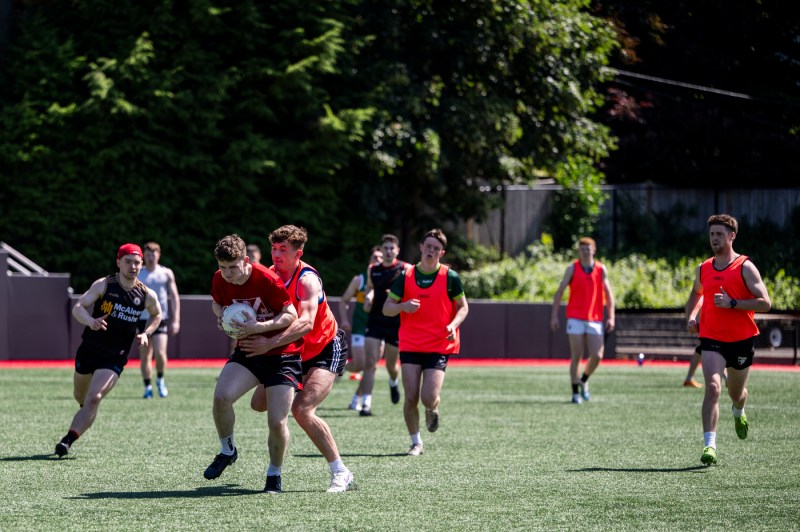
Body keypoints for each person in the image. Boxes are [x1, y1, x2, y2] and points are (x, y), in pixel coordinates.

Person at [241, 225, 355, 493]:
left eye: (283, 250)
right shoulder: (270, 275)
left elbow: (306, 323)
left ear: (298, 253)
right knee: (258, 404)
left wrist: (268, 342)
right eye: (274, 249)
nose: (277, 255)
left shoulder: (307, 280)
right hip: (294, 351)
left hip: (326, 347)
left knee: (302, 410)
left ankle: (341, 472)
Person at [204, 234, 301, 493]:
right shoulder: (219, 278)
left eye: (232, 267)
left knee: (277, 422)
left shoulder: (267, 279)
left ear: (245, 260)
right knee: (221, 397)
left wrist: (260, 326)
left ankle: (274, 473)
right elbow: (217, 303)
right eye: (222, 267)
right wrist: (223, 316)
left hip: (282, 356)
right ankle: (228, 451)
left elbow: (291, 314)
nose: (227, 273)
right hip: (248, 351)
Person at [54, 243, 162, 457]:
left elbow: (157, 315)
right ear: (118, 263)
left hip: (115, 356)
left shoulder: (146, 294)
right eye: (128, 262)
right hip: (89, 350)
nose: (133, 266)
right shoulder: (104, 285)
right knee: (82, 398)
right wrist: (91, 321)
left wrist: (146, 333)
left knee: (95, 398)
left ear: (141, 266)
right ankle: (86, 412)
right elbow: (78, 307)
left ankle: (67, 441)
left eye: (137, 263)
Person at [685, 214, 771, 466]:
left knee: (736, 393)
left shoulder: (745, 266)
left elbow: (765, 302)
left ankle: (739, 410)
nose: (714, 238)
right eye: (711, 234)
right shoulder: (704, 268)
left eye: (719, 234)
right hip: (711, 336)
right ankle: (709, 445)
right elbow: (697, 293)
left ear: (731, 236)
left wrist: (733, 303)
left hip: (741, 339)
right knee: (712, 388)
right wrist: (691, 316)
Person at [383, 229, 469, 456]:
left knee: (428, 397)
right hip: (411, 344)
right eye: (428, 246)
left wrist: (453, 325)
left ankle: (433, 408)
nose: (431, 251)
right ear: (421, 248)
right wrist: (402, 306)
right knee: (411, 397)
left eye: (436, 248)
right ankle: (416, 443)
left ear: (442, 252)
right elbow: (387, 308)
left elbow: (463, 308)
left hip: (438, 344)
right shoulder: (406, 276)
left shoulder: (450, 277)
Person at [550, 237, 615, 404]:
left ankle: (584, 379)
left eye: (588, 248)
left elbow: (609, 295)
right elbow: (559, 292)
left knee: (597, 355)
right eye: (582, 249)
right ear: (579, 251)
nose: (585, 251)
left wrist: (611, 317)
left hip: (595, 318)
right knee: (576, 356)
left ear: (594, 250)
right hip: (575, 317)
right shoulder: (572, 268)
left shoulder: (601, 269)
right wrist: (554, 316)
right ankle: (575, 393)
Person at [361, 234, 410, 416]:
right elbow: (370, 288)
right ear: (381, 251)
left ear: (397, 251)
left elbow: (414, 291)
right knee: (370, 362)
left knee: (391, 365)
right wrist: (368, 297)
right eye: (385, 248)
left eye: (392, 248)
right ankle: (366, 403)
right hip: (375, 320)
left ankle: (393, 382)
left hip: (395, 323)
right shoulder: (373, 269)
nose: (388, 251)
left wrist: (399, 297)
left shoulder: (406, 269)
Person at [339, 246, 383, 411]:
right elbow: (344, 300)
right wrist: (344, 320)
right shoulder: (360, 280)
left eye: (380, 258)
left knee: (371, 366)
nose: (377, 260)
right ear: (370, 261)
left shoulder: (387, 280)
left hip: (379, 329)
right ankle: (340, 368)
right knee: (359, 364)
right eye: (375, 258)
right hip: (360, 327)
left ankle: (359, 400)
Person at [136, 241, 181, 399]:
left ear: (158, 255)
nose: (151, 258)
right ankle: (147, 386)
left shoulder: (166, 273)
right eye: (147, 255)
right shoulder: (138, 273)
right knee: (145, 356)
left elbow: (174, 296)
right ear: (144, 256)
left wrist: (176, 320)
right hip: (142, 319)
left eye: (153, 254)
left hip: (161, 318)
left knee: (161, 353)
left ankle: (160, 380)